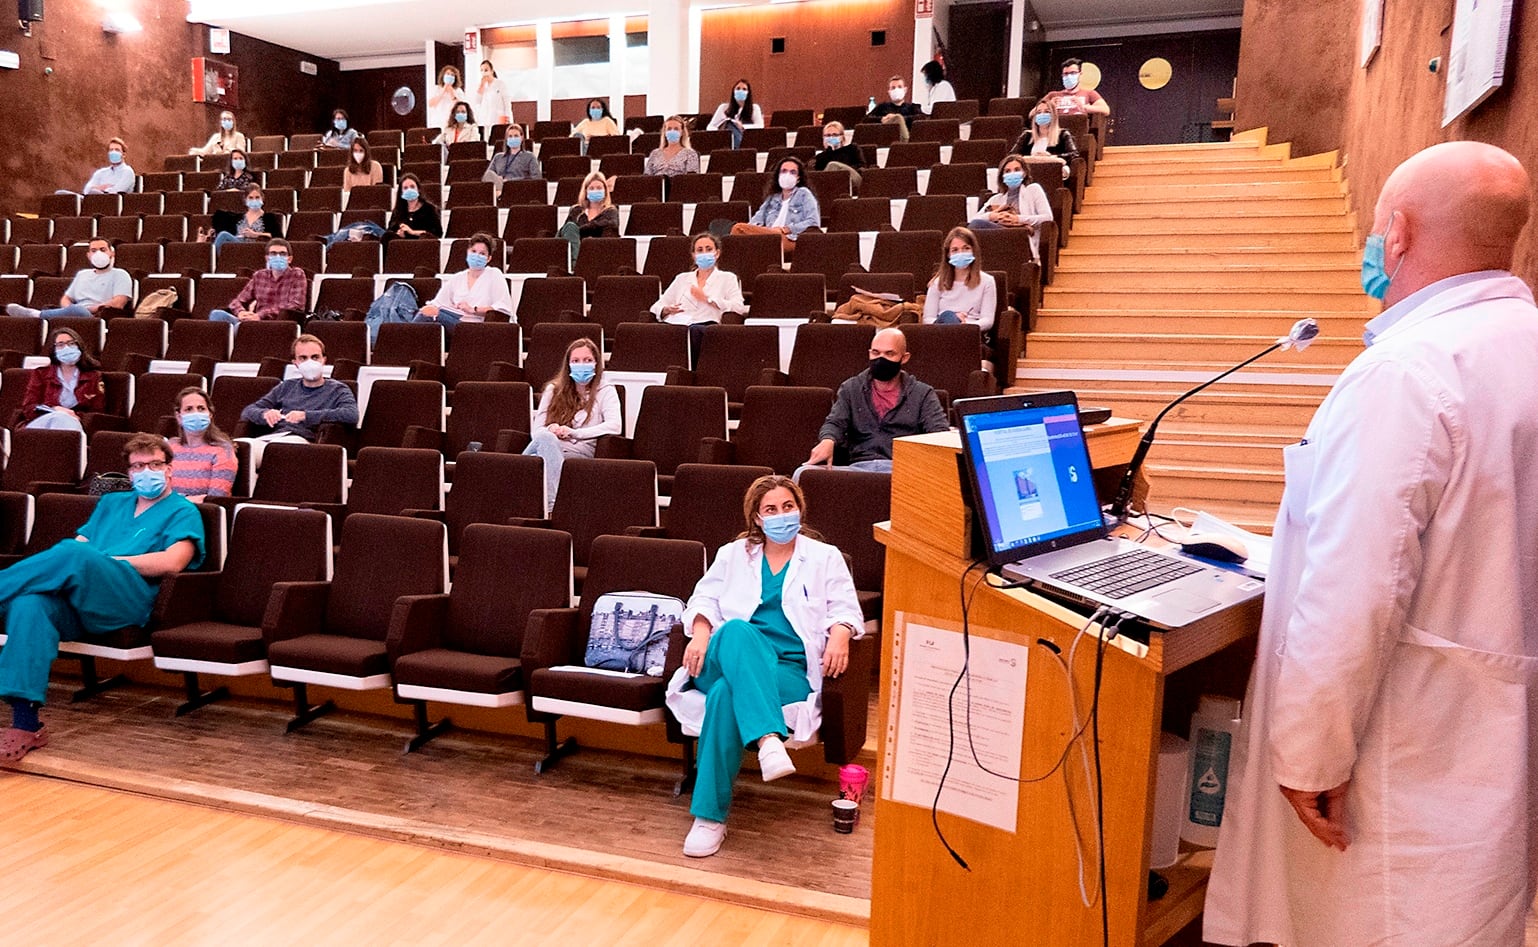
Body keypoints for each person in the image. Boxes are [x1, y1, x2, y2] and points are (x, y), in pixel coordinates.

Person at [1204, 141, 1538, 947]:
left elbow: (1355, 587)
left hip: (1401, 754)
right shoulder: (1520, 344)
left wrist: (1311, 756)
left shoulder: (1411, 370)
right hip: (1483, 742)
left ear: (1398, 232)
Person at [665, 474, 864, 857]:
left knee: (725, 696)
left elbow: (845, 608)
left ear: (800, 508)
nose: (781, 515)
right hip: (722, 657)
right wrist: (703, 634)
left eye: (787, 507)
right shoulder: (732, 554)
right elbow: (703, 599)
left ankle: (710, 817)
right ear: (756, 518)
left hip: (786, 671)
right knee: (738, 631)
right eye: (770, 509)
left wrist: (840, 634)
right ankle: (769, 739)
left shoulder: (824, 557)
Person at [0, 433, 205, 762]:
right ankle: (26, 723)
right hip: (84, 594)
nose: (146, 471)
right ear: (129, 472)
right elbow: (82, 543)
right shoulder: (112, 503)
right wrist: (87, 561)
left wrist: (105, 562)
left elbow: (173, 561)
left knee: (75, 555)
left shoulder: (183, 511)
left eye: (154, 464)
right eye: (138, 466)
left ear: (169, 469)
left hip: (129, 595)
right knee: (30, 604)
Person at [799, 327, 948, 476]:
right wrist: (828, 440)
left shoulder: (922, 393)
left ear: (904, 358)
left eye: (889, 354)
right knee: (803, 473)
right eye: (875, 353)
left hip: (903, 471)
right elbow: (835, 422)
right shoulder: (851, 388)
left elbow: (939, 433)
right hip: (857, 469)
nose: (880, 359)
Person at [521, 337, 621, 513]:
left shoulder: (606, 390)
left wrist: (574, 433)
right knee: (544, 438)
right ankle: (555, 505)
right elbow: (536, 432)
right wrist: (551, 429)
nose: (581, 365)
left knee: (527, 467)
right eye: (576, 361)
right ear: (568, 365)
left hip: (579, 455)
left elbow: (614, 426)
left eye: (587, 360)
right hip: (547, 447)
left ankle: (551, 506)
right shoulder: (553, 389)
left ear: (596, 363)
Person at [238, 334, 359, 467]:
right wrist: (265, 414)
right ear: (295, 363)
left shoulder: (338, 389)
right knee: (232, 448)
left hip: (305, 442)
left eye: (315, 357)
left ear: (324, 360)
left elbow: (351, 414)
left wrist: (305, 416)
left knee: (253, 453)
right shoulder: (287, 386)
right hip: (274, 437)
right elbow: (248, 411)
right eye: (303, 358)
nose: (310, 363)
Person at [651, 232, 744, 356]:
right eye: (700, 250)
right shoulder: (682, 278)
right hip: (677, 324)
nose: (704, 253)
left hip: (706, 326)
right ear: (694, 255)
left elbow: (739, 307)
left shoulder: (727, 278)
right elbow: (656, 306)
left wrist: (708, 299)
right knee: (657, 332)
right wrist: (666, 310)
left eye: (709, 249)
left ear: (717, 253)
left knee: (695, 331)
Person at [412, 232, 513, 336]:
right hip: (456, 320)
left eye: (482, 254)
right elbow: (437, 302)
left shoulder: (494, 274)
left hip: (476, 325)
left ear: (488, 259)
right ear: (467, 252)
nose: (476, 256)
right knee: (424, 309)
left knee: (430, 313)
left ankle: (404, 339)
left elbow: (502, 307)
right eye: (473, 251)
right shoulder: (457, 277)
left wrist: (473, 309)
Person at [7, 237, 131, 320]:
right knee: (75, 310)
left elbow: (118, 303)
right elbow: (66, 298)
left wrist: (86, 309)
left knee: (78, 311)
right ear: (88, 256)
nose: (98, 253)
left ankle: (37, 315)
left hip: (98, 316)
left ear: (111, 253)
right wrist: (68, 309)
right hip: (74, 313)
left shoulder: (120, 274)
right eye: (94, 250)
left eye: (103, 250)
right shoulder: (82, 274)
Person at [15, 328, 104, 433]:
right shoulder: (40, 374)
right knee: (59, 417)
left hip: (77, 423)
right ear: (54, 350)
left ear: (79, 346)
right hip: (42, 423)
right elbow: (29, 408)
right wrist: (55, 409)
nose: (66, 348)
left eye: (71, 343)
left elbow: (98, 412)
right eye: (60, 345)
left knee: (64, 420)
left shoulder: (93, 376)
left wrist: (72, 415)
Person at [967, 154, 1054, 261]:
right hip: (998, 240)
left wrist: (1017, 219)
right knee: (974, 226)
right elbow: (972, 222)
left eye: (1017, 170)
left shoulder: (1033, 190)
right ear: (1002, 177)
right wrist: (993, 216)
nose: (1012, 174)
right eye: (1007, 171)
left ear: (1024, 173)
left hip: (1022, 237)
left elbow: (1047, 218)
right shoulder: (996, 199)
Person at [730, 157, 820, 255]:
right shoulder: (772, 197)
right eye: (784, 171)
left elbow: (813, 222)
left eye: (793, 172)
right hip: (769, 235)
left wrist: (787, 229)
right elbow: (756, 220)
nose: (787, 175)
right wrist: (755, 230)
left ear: (798, 178)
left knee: (738, 228)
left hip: (791, 238)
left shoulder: (804, 194)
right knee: (740, 237)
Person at [207, 238, 307, 324]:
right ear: (267, 258)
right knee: (216, 314)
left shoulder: (297, 274)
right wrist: (241, 312)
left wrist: (260, 315)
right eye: (273, 253)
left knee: (241, 327)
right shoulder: (259, 275)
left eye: (282, 254)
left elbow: (296, 305)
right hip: (254, 321)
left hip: (277, 324)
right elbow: (237, 301)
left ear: (289, 259)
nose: (278, 257)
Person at [168, 387, 237, 503]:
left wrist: (175, 502)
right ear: (179, 416)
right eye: (189, 409)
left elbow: (216, 498)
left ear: (210, 414)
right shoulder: (170, 447)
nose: (196, 413)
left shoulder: (223, 451)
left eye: (201, 408)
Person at [922, 227, 996, 331]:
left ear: (974, 250)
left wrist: (964, 324)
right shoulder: (937, 283)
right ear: (948, 255)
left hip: (971, 332)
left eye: (966, 248)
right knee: (948, 316)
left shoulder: (987, 281)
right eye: (955, 250)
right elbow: (928, 319)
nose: (961, 253)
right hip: (942, 331)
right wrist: (953, 319)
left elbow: (987, 320)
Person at [206, 183, 285, 255]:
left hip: (257, 247)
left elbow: (279, 237)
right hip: (237, 246)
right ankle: (216, 262)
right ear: (246, 200)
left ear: (262, 198)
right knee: (222, 236)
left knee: (223, 235)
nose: (254, 200)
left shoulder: (269, 217)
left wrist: (256, 235)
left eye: (257, 197)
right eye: (251, 198)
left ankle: (211, 258)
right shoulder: (239, 217)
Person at [1012, 101, 1079, 185]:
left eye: (1047, 112)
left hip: (1050, 176)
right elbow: (1012, 156)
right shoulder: (1027, 135)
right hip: (1027, 176)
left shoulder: (1063, 134)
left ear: (1054, 116)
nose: (1042, 115)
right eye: (1039, 112)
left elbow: (1074, 154)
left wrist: (1052, 157)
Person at [558, 173, 620, 256]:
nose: (595, 191)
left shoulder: (611, 211)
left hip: (600, 253)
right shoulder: (576, 210)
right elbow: (568, 232)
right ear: (586, 191)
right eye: (591, 188)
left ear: (605, 191)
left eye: (599, 188)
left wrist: (580, 230)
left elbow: (610, 227)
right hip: (578, 251)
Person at [382, 173, 442, 246]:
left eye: (412, 187)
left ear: (418, 189)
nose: (409, 190)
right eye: (405, 188)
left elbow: (437, 233)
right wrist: (399, 233)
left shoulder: (429, 209)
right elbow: (391, 229)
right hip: (402, 246)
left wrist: (412, 232)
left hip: (423, 246)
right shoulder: (398, 210)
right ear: (401, 192)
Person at [707, 79, 763, 150]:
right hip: (726, 144)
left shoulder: (755, 108)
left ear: (748, 93)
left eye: (744, 89)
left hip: (747, 144)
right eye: (738, 88)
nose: (740, 91)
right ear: (733, 91)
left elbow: (760, 126)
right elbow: (711, 126)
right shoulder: (724, 108)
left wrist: (742, 127)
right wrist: (721, 133)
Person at [1043, 58, 1110, 117]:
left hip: (1078, 128)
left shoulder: (1089, 93)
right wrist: (1049, 106)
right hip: (1056, 128)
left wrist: (1084, 107)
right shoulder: (1053, 95)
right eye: (1066, 74)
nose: (1069, 76)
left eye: (1073, 73)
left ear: (1080, 74)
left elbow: (1105, 110)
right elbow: (1033, 113)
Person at [813, 121, 864, 190]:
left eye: (835, 135)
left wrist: (841, 171)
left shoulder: (852, 148)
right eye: (828, 135)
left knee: (833, 165)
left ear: (842, 137)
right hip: (831, 182)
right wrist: (829, 150)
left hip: (852, 177)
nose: (831, 138)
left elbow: (861, 166)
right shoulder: (821, 156)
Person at [427, 65, 468, 131]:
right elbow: (431, 104)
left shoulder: (458, 91)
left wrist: (452, 92)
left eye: (452, 75)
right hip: (438, 122)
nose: (450, 76)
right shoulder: (437, 89)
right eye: (448, 74)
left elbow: (461, 106)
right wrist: (443, 91)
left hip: (453, 122)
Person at [474, 61, 512, 128]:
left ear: (491, 71)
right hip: (485, 119)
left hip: (499, 118)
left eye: (486, 70)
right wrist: (481, 85)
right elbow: (477, 101)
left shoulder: (500, 83)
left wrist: (507, 117)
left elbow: (507, 102)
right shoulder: (481, 86)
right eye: (481, 70)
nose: (484, 72)